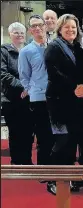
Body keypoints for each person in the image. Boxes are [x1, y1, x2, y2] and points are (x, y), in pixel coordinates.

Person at [44, 14, 83, 193]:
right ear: (60, 29)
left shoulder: (77, 47)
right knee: (62, 140)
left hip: (76, 102)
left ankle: (67, 178)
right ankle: (53, 180)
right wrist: (74, 87)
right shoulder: (54, 47)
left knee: (72, 141)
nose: (71, 30)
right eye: (67, 27)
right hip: (58, 102)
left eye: (73, 27)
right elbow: (53, 73)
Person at [18, 15, 55, 194]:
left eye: (41, 25)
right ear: (30, 30)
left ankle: (57, 170)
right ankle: (43, 171)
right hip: (39, 98)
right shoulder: (26, 51)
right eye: (34, 26)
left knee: (58, 135)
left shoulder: (54, 45)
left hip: (57, 97)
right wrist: (31, 90)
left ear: (46, 26)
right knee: (43, 137)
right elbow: (24, 75)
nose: (38, 28)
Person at [1, 22, 34, 166]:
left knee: (28, 132)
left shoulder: (30, 49)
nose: (19, 34)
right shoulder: (4, 51)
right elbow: (3, 74)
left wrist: (30, 88)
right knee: (15, 132)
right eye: (16, 32)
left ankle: (26, 161)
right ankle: (16, 162)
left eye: (21, 32)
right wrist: (23, 87)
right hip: (11, 98)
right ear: (10, 35)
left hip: (29, 98)